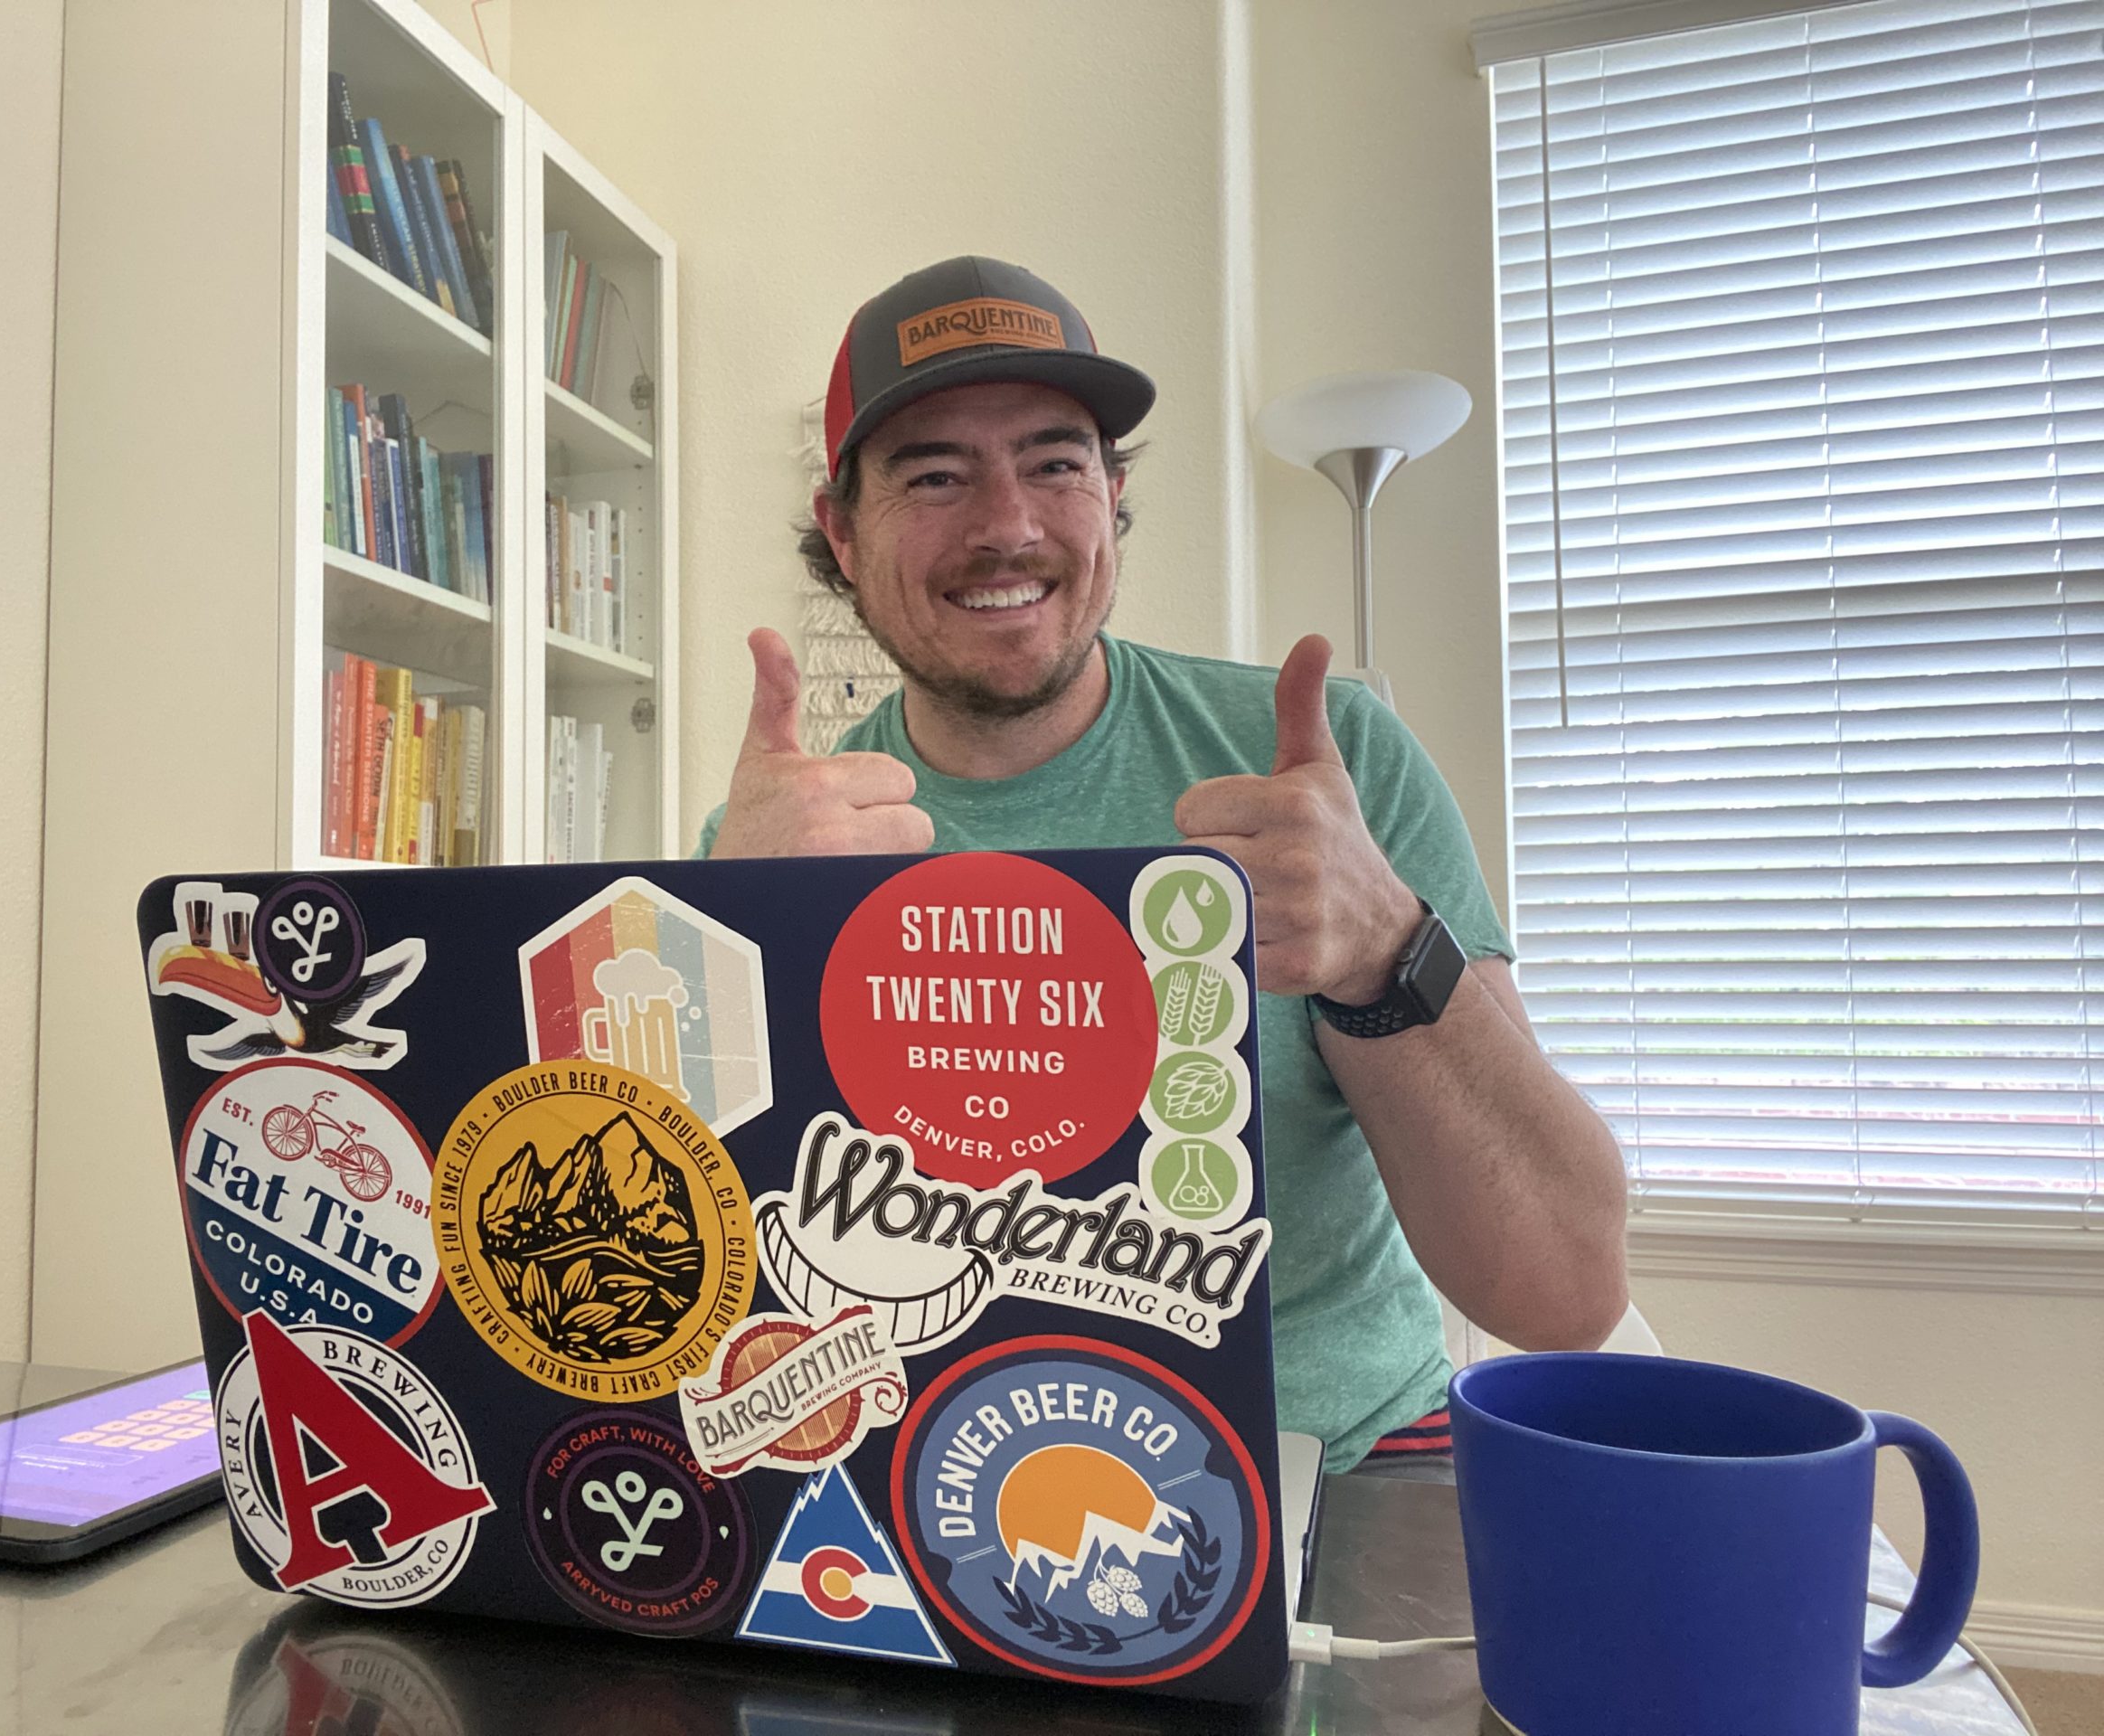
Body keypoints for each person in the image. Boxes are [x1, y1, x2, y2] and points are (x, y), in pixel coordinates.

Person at [697, 256, 1627, 1473]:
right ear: (843, 530)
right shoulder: (781, 843)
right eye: (933, 474)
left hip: (1346, 1466)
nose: (1008, 526)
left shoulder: (1328, 775)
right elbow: (698, 1299)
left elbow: (1562, 1292)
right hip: (947, 1485)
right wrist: (729, 920)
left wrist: (1386, 946)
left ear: (1112, 495)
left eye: (1056, 462)